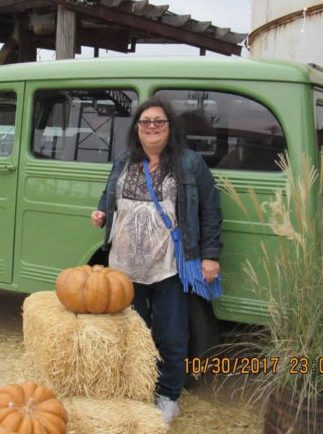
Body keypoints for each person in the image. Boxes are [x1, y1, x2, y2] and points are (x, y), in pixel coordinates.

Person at [91, 96, 222, 422]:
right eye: (145, 122)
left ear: (170, 127)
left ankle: (168, 395)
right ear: (137, 128)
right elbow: (109, 192)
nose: (152, 127)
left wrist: (210, 255)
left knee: (172, 335)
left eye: (159, 122)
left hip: (168, 266)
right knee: (132, 333)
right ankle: (137, 389)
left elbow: (210, 209)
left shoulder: (189, 163)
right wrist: (102, 212)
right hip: (124, 266)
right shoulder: (124, 160)